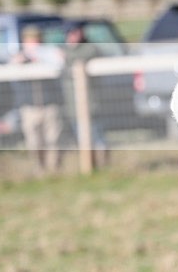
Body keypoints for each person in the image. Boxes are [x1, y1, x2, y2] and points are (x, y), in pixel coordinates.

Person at [11, 24, 65, 173]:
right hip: (30, 106)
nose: (34, 43)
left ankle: (55, 170)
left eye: (36, 39)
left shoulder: (50, 54)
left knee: (53, 139)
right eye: (30, 40)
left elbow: (58, 66)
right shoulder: (19, 57)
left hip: (50, 104)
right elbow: (13, 73)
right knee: (34, 142)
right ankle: (39, 170)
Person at [60, 22, 108, 164]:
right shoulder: (64, 50)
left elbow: (80, 59)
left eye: (75, 32)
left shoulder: (90, 49)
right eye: (70, 33)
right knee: (82, 141)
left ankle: (103, 164)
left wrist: (66, 55)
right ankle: (90, 166)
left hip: (91, 105)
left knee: (98, 139)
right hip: (72, 107)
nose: (73, 36)